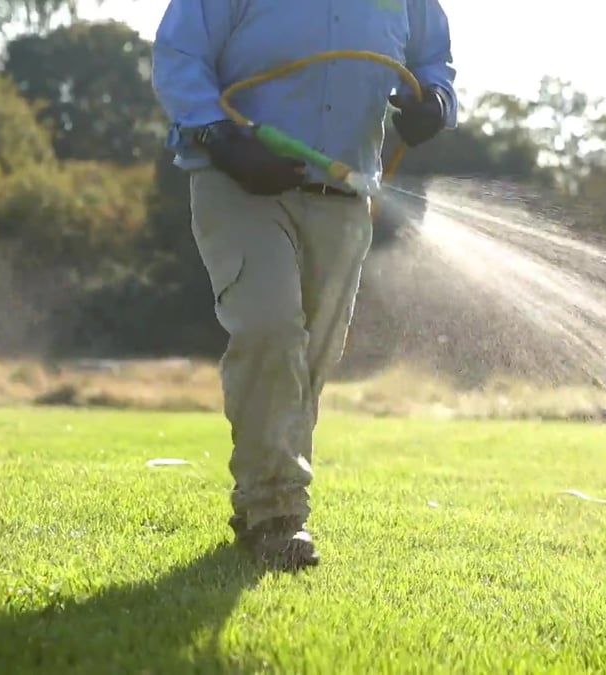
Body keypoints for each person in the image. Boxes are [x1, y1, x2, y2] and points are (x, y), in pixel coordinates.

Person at [151, 0, 457, 571]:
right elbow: (179, 56)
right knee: (270, 330)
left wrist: (435, 101)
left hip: (343, 199)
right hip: (240, 181)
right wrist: (222, 140)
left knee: (310, 361)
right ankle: (277, 515)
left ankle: (259, 497)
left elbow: (433, 59)